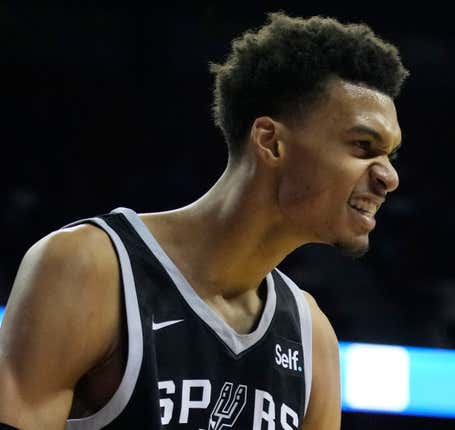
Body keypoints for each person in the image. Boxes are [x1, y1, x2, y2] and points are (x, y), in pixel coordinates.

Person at [0, 11, 408, 430]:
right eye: (363, 146)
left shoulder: (312, 336)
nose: (388, 177)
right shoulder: (88, 268)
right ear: (271, 141)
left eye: (390, 156)